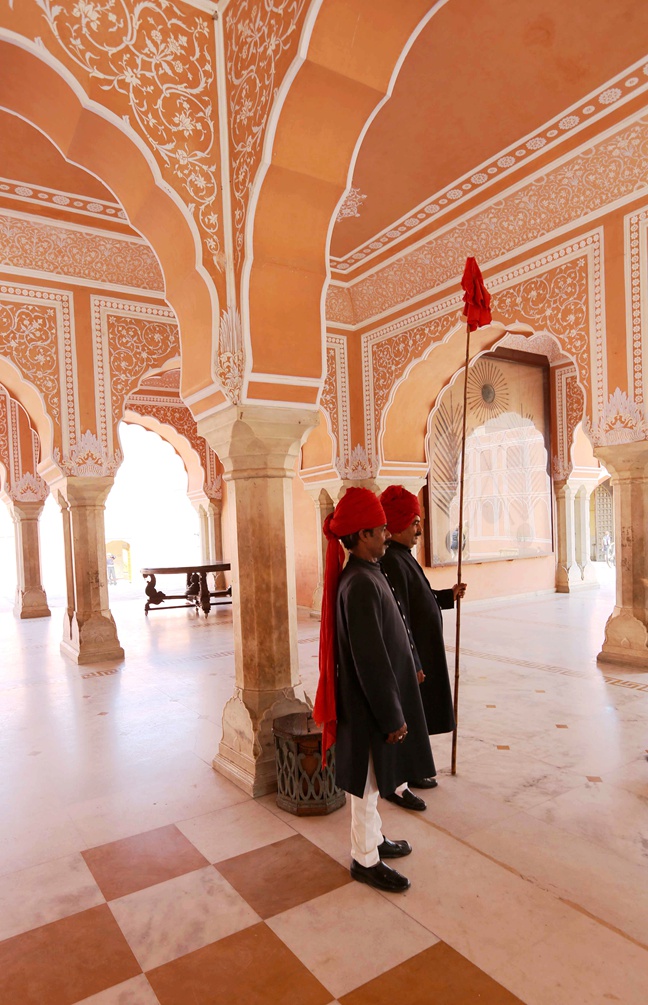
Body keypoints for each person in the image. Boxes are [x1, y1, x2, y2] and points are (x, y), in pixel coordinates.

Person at [314, 487, 434, 893]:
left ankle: (375, 838)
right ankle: (365, 858)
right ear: (362, 534)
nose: (387, 535)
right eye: (382, 529)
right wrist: (392, 715)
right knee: (366, 784)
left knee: (373, 779)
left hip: (375, 704)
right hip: (368, 708)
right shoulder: (360, 582)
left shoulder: (367, 573)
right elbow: (371, 660)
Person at [379, 485, 466, 812]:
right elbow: (399, 617)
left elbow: (421, 598)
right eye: (415, 522)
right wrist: (412, 658)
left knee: (417, 715)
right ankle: (401, 779)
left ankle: (414, 770)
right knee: (406, 717)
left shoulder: (404, 558)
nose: (419, 529)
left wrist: (447, 596)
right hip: (410, 655)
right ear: (398, 524)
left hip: (420, 653)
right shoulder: (392, 562)